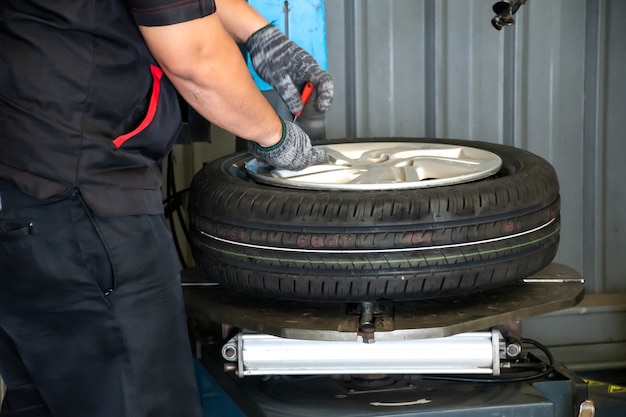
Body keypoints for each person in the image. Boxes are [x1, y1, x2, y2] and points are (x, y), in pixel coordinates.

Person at [0, 0, 333, 415]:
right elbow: (196, 61)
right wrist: (277, 137)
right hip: (83, 200)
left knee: (45, 401)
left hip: (24, 198)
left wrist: (258, 34)